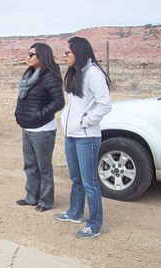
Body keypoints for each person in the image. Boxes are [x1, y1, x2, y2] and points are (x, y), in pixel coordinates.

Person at [54, 36, 111, 239]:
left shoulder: (93, 73)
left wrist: (85, 121)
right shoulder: (77, 73)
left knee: (90, 182)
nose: (64, 55)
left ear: (78, 52)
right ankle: (75, 213)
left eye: (67, 52)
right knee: (76, 178)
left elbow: (105, 104)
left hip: (86, 137)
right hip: (71, 135)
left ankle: (94, 224)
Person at [14, 43, 65, 212]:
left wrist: (39, 115)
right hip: (28, 128)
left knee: (44, 168)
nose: (28, 57)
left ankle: (46, 201)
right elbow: (24, 98)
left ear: (42, 57)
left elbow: (59, 101)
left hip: (42, 129)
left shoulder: (49, 76)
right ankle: (31, 197)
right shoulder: (29, 74)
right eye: (28, 54)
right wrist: (18, 114)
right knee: (30, 165)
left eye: (31, 54)